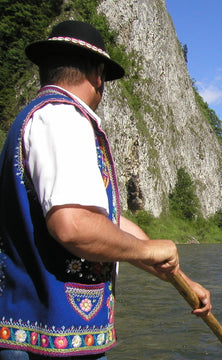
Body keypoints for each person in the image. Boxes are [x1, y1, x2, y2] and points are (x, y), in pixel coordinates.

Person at [0, 20, 211, 359]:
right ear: (98, 75)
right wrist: (149, 251)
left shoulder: (35, 119)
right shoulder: (63, 119)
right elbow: (75, 225)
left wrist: (181, 281)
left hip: (44, 336)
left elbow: (107, 224)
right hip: (50, 345)